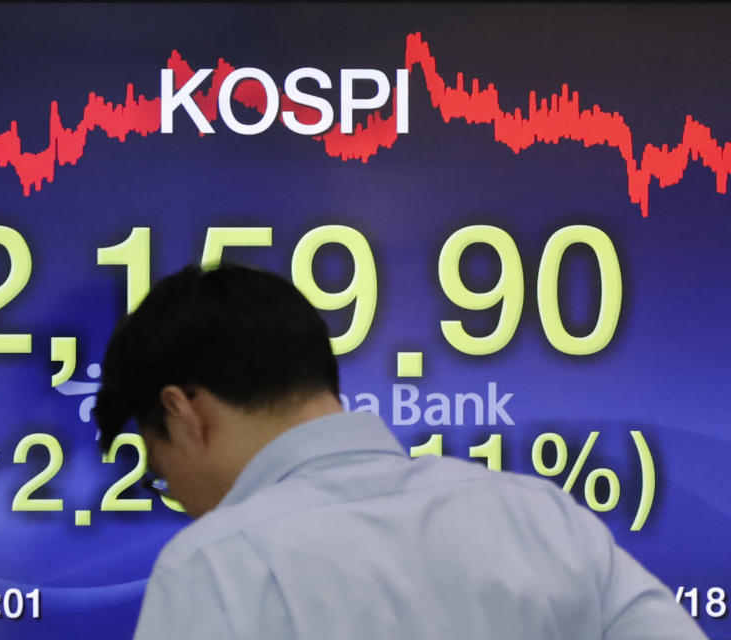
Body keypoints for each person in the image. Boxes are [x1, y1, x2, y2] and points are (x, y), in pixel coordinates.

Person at [94, 263, 704, 640]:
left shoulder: (216, 566)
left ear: (183, 412)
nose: (173, 490)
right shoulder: (543, 516)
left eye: (158, 468)